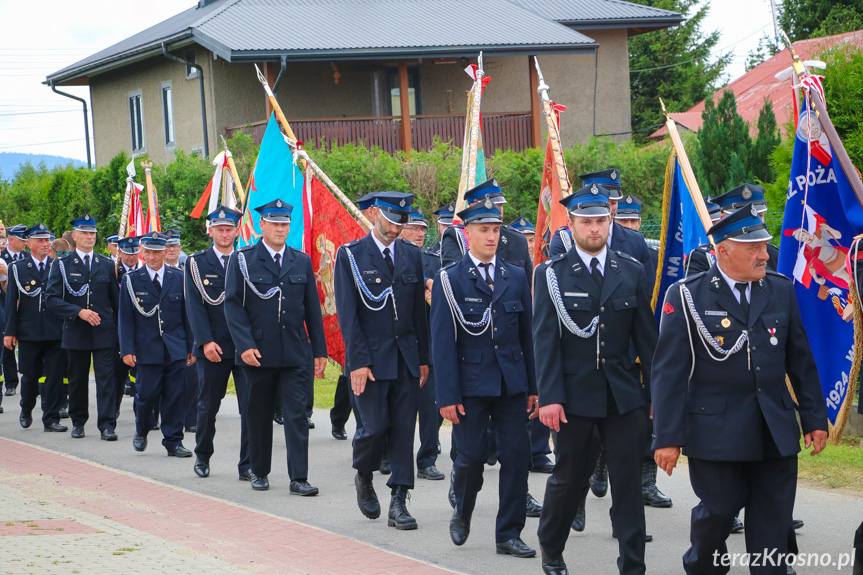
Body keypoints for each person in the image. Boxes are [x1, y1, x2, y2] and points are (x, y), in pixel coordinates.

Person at [652, 204, 829, 575]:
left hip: (773, 428)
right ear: (723, 251)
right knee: (717, 511)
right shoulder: (687, 296)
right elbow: (668, 373)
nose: (765, 254)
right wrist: (666, 436)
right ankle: (703, 565)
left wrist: (815, 418)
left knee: (773, 522)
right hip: (716, 430)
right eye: (754, 248)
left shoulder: (780, 290)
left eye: (764, 245)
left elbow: (801, 360)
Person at [533, 183, 658, 575]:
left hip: (622, 395)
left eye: (601, 221)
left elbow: (647, 340)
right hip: (573, 396)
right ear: (570, 226)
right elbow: (545, 341)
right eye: (585, 222)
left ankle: (633, 565)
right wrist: (550, 395)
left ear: (610, 223)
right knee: (570, 479)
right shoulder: (551, 275)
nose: (594, 229)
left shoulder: (632, 270)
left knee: (628, 486)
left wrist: (655, 395)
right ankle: (552, 551)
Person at [432, 198, 537, 557]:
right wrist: (447, 396)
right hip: (471, 385)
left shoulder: (516, 275)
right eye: (483, 230)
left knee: (516, 457)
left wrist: (534, 387)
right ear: (467, 233)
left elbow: (528, 336)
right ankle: (463, 510)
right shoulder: (450, 279)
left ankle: (508, 533)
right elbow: (442, 343)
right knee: (472, 457)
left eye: (495, 230)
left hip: (511, 383)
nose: (492, 237)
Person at [334, 191, 429, 530]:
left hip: (405, 358)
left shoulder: (411, 255)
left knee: (404, 430)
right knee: (373, 428)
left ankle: (399, 500)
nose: (395, 228)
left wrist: (424, 358)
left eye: (401, 222)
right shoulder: (351, 256)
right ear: (376, 214)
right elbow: (348, 315)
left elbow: (418, 311)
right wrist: (357, 362)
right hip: (370, 362)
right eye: (390, 220)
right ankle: (363, 474)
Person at [225, 198, 327, 494]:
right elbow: (233, 306)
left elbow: (312, 309)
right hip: (258, 353)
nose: (281, 229)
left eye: (285, 224)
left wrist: (319, 351)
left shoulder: (302, 260)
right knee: (258, 414)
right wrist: (244, 345)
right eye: (275, 223)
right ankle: (259, 471)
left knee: (297, 416)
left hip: (295, 353)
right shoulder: (243, 259)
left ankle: (299, 477)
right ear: (262, 225)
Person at [612, 193, 671, 509]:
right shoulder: (590, 246)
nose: (632, 226)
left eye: (635, 220)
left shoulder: (644, 250)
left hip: (640, 344)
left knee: (647, 417)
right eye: (625, 221)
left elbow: (649, 301)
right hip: (611, 350)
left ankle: (647, 483)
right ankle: (597, 465)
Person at [185, 206, 253, 481]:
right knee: (208, 406)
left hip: (245, 346)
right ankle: (203, 455)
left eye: (229, 229)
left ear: (237, 231)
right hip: (213, 346)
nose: (224, 234)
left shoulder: (248, 259)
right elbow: (195, 306)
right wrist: (205, 342)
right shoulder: (196, 263)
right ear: (210, 230)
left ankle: (247, 464)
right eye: (219, 229)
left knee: (250, 407)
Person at [119, 232, 194, 456]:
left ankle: (174, 442)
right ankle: (142, 430)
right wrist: (127, 349)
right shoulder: (131, 280)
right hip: (146, 349)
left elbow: (187, 315)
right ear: (142, 252)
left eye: (156, 252)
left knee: (175, 396)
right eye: (148, 252)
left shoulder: (178, 277)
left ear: (165, 252)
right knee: (146, 395)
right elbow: (125, 318)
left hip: (175, 348)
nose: (152, 257)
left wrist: (191, 347)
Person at [45, 214, 119, 441]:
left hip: (104, 331)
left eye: (92, 233)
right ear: (74, 236)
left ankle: (107, 425)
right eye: (84, 233)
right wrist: (78, 311)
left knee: (106, 380)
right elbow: (51, 299)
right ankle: (78, 422)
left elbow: (115, 302)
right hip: (76, 331)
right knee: (77, 380)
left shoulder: (106, 264)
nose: (89, 237)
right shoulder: (62, 265)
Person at [5, 224, 66, 432]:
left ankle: (51, 418)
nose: (44, 244)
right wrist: (10, 331)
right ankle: (26, 408)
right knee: (30, 376)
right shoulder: (18, 268)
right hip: (29, 332)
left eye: (47, 240)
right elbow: (12, 302)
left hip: (55, 330)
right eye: (39, 240)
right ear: (28, 243)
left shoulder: (58, 266)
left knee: (55, 376)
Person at [329, 193, 379, 441]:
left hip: (376, 321)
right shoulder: (350, 238)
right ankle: (342, 420)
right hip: (352, 316)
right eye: (371, 209)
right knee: (349, 371)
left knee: (352, 374)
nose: (373, 213)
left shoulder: (383, 235)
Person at [401, 206, 444, 481]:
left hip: (429, 343)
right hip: (401, 342)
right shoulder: (391, 259)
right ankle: (388, 453)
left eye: (422, 230)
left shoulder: (432, 260)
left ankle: (427, 457)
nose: (419, 234)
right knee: (399, 406)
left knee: (432, 405)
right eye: (414, 228)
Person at [686, 185, 777, 277]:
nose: (754, 222)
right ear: (722, 219)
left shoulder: (773, 253)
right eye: (742, 217)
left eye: (759, 216)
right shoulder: (703, 257)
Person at [114, 236, 140, 416]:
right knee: (116, 376)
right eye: (127, 253)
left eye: (135, 253)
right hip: (117, 330)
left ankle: (143, 412)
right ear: (120, 252)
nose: (131, 257)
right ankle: (112, 410)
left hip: (141, 330)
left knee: (141, 376)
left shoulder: (144, 271)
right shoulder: (112, 272)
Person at [1, 224, 27, 397]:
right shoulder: (2, 258)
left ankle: (29, 376)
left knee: (26, 343)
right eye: (22, 239)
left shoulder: (27, 257)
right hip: (5, 307)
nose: (25, 243)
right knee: (7, 345)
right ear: (12, 240)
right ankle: (11, 382)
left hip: (25, 307)